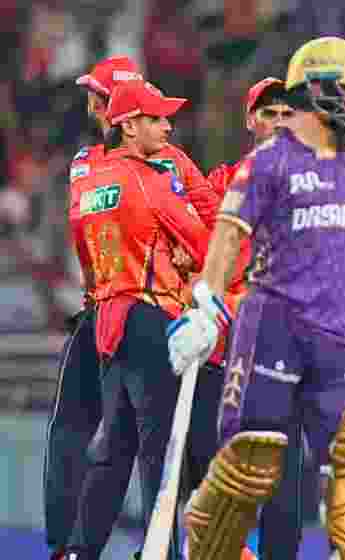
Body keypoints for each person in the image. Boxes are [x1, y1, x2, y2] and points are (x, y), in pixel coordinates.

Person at [166, 37, 345, 560]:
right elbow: (227, 232)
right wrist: (207, 305)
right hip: (274, 327)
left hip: (334, 335)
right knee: (253, 460)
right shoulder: (269, 162)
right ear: (316, 91)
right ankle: (207, 536)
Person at [45, 55, 220, 560]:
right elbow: (209, 243)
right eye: (158, 118)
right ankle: (160, 551)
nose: (168, 125)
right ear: (129, 123)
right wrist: (189, 257)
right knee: (160, 449)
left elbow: (84, 240)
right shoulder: (151, 177)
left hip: (107, 315)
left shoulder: (91, 175)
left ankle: (77, 550)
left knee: (111, 446)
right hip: (151, 315)